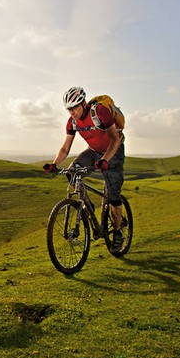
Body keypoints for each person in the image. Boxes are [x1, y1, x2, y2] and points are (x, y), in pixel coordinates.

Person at [43, 86, 125, 251]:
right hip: (94, 152)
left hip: (113, 151)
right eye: (68, 109)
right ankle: (88, 206)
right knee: (72, 172)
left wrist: (105, 160)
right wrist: (55, 164)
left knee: (113, 197)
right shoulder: (73, 121)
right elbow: (65, 148)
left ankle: (118, 233)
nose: (71, 112)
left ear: (83, 104)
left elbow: (115, 139)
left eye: (74, 108)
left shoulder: (100, 112)